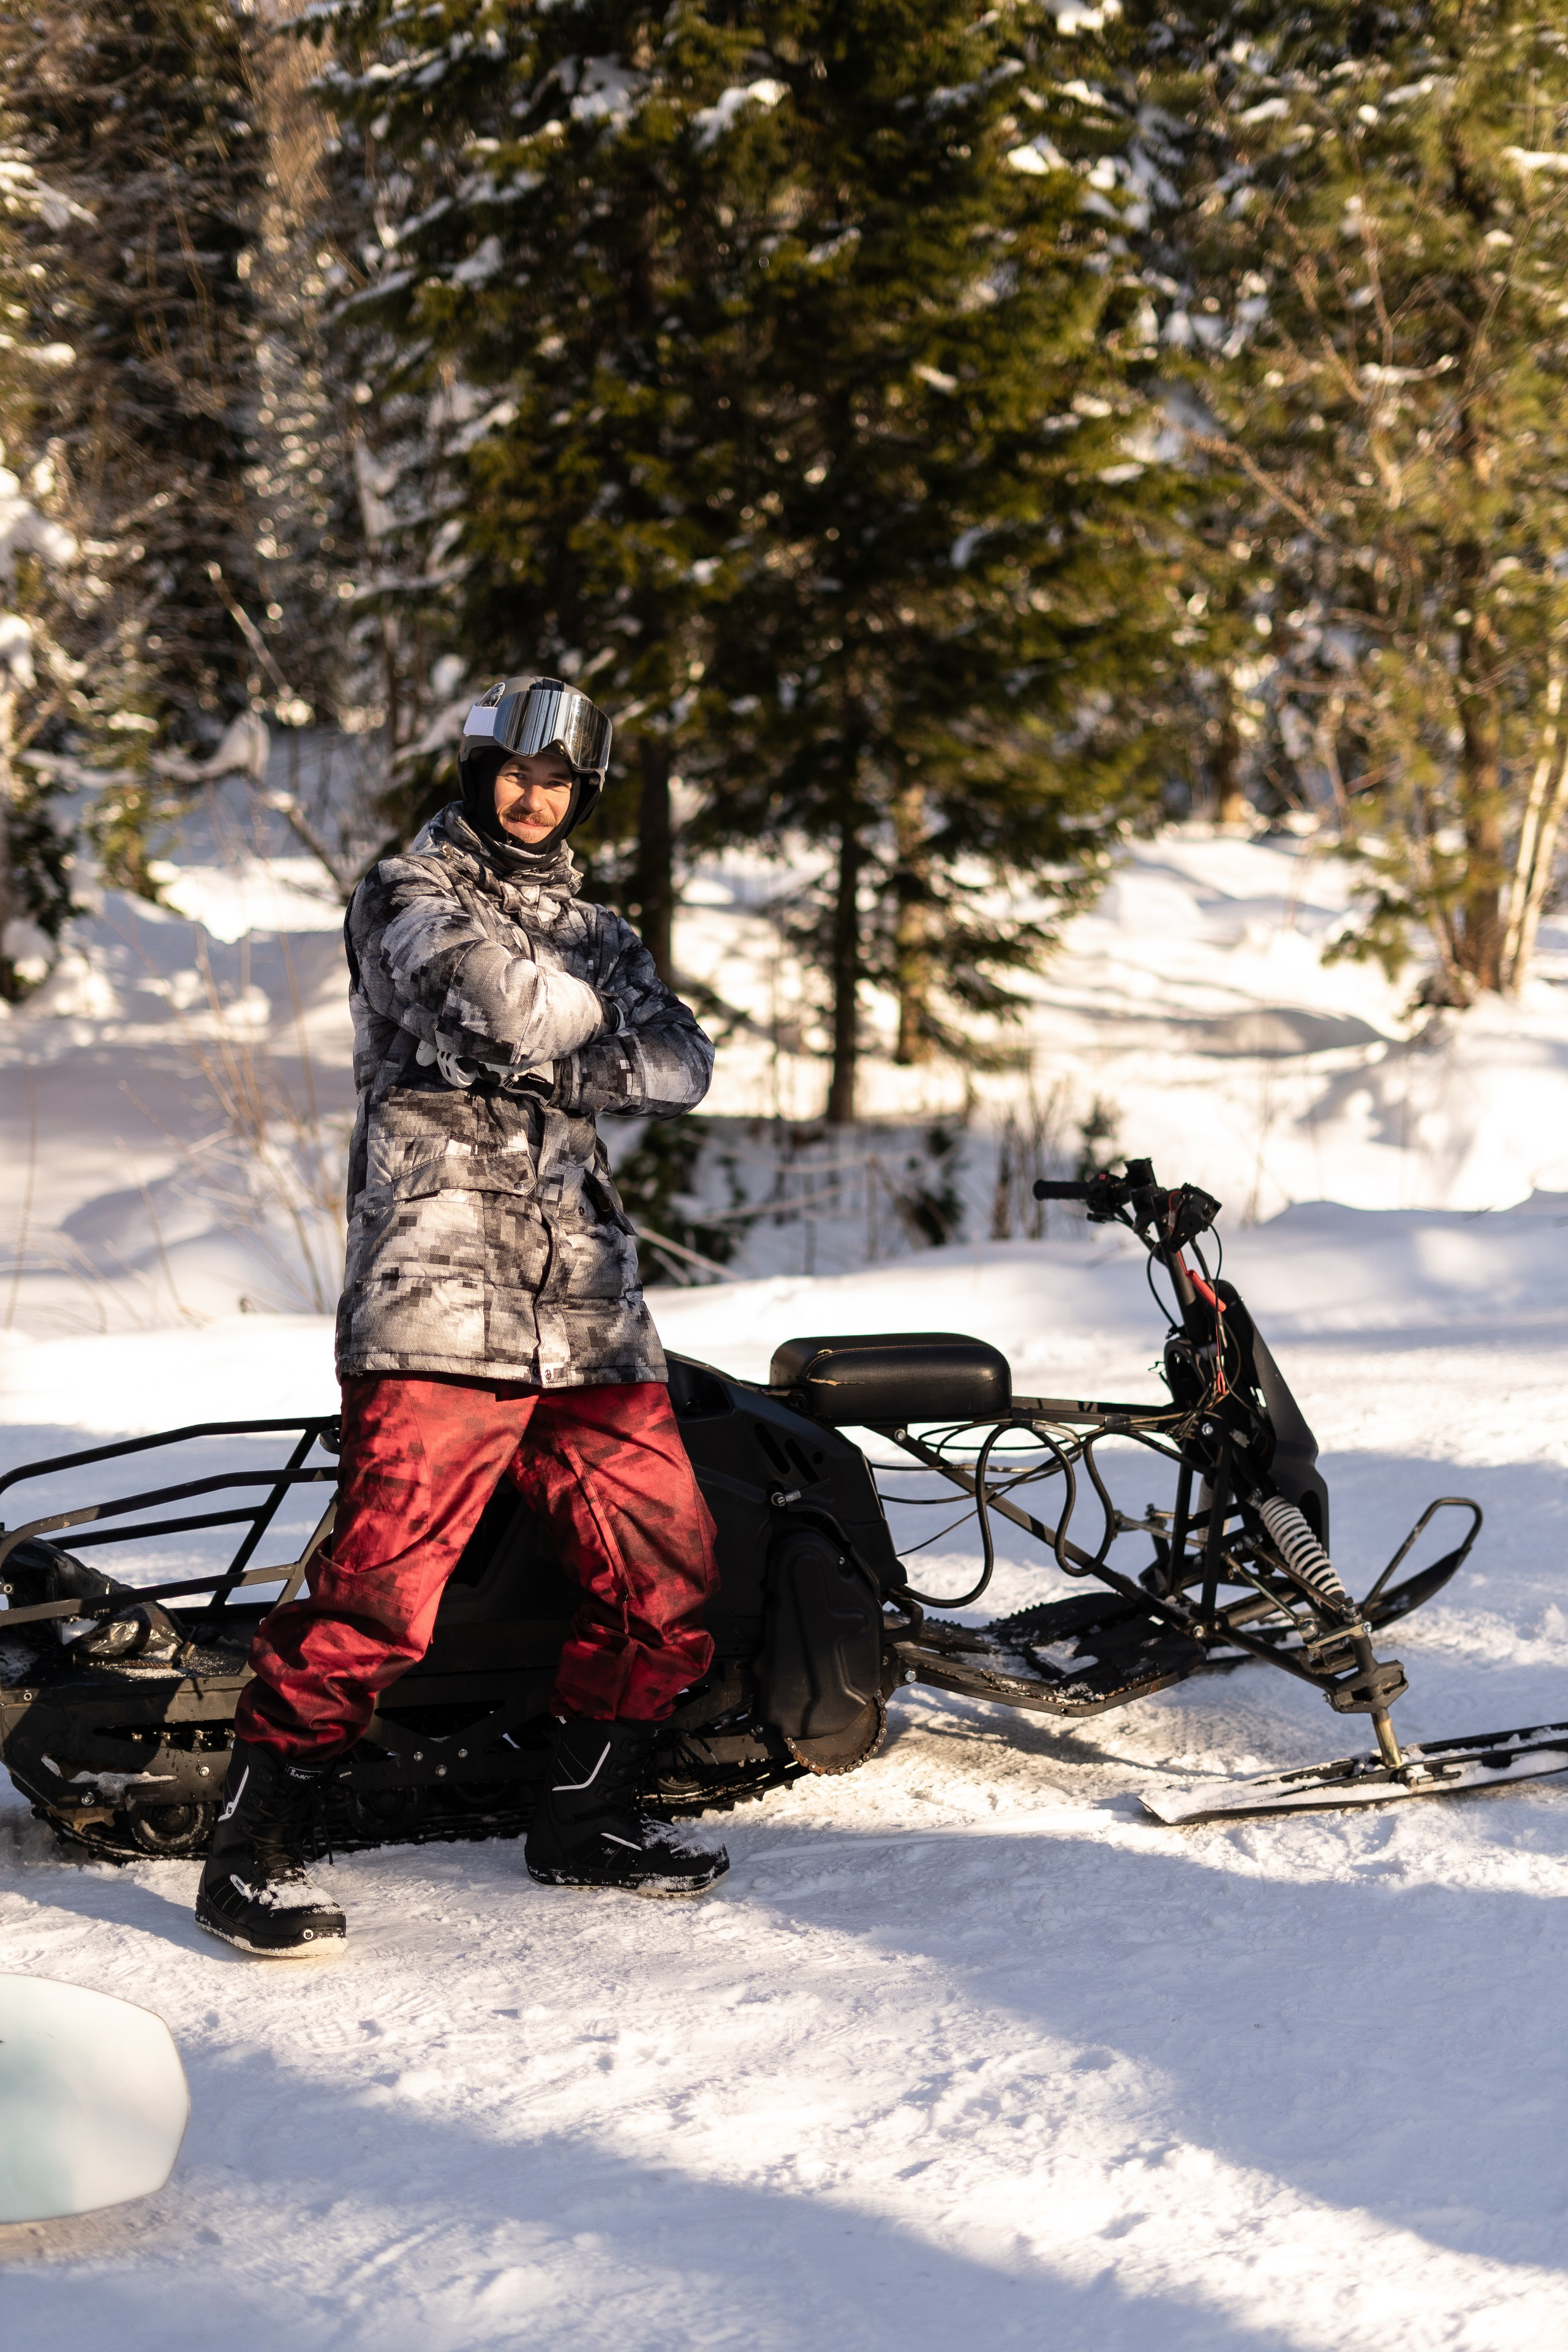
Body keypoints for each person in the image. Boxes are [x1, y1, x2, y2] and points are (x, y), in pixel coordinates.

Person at [195, 676, 728, 1958]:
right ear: (478, 769)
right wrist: (586, 1031)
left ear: (579, 794)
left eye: (557, 780)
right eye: (511, 770)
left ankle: (580, 1816)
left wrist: (575, 1032)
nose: (530, 795)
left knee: (665, 1571)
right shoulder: (405, 893)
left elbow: (685, 1063)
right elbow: (509, 1010)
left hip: (586, 1310)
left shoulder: (598, 927)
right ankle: (253, 1845)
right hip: (438, 1293)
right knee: (382, 1591)